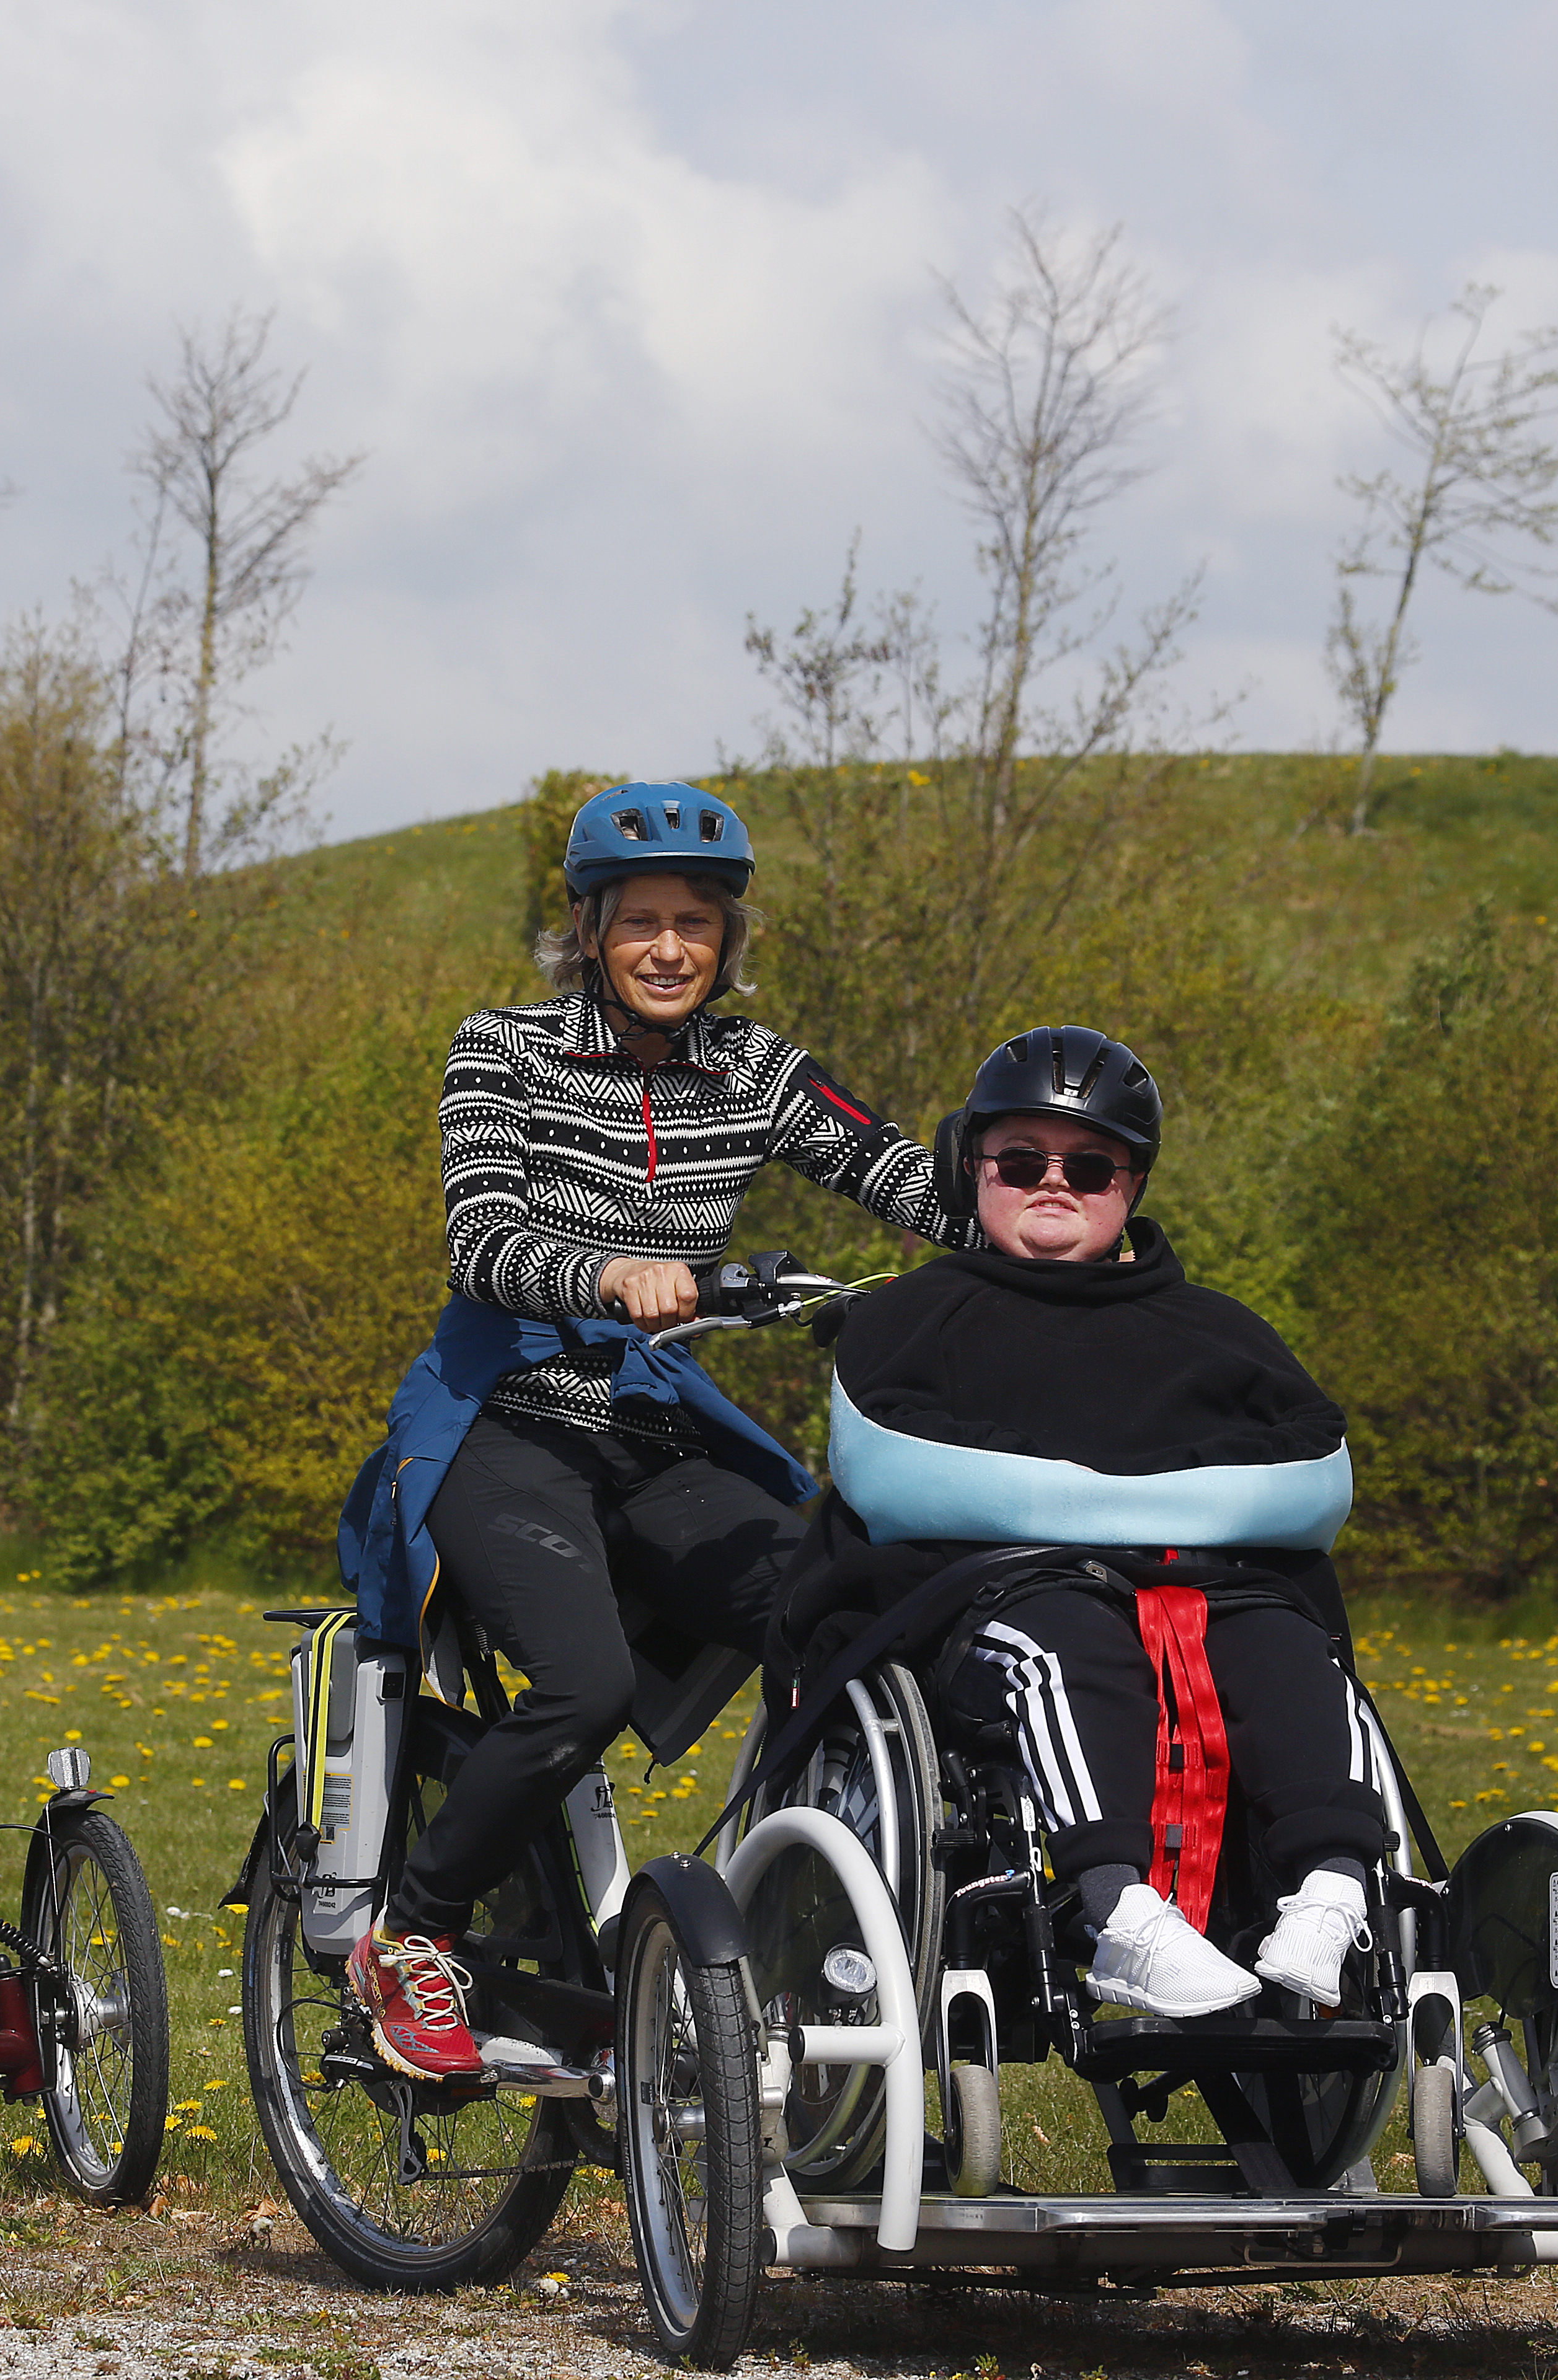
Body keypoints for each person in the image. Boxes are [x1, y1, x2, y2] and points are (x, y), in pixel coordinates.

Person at [333, 780, 977, 2082]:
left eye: (698, 923)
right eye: (642, 925)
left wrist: (1034, 1198)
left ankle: (800, 1928)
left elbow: (899, 1170)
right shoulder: (500, 1050)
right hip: (501, 1422)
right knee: (588, 1687)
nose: (672, 949)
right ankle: (411, 1932)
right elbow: (483, 1239)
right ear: (588, 928)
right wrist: (610, 1277)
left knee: (842, 1623)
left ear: (730, 937)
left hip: (654, 1426)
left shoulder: (758, 1072)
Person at [782, 1025, 1386, 2018]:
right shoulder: (907, 1317)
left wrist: (1089, 1503)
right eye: (1021, 1162)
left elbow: (1315, 1469)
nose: (1053, 1183)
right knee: (1068, 1646)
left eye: (1090, 1166)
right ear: (971, 1171)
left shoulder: (1221, 1329)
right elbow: (896, 1470)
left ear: (1133, 1186)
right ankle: (1117, 1917)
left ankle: (1329, 1896)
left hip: (1214, 1595)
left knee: (1289, 1651)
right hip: (1002, 1600)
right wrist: (1160, 1502)